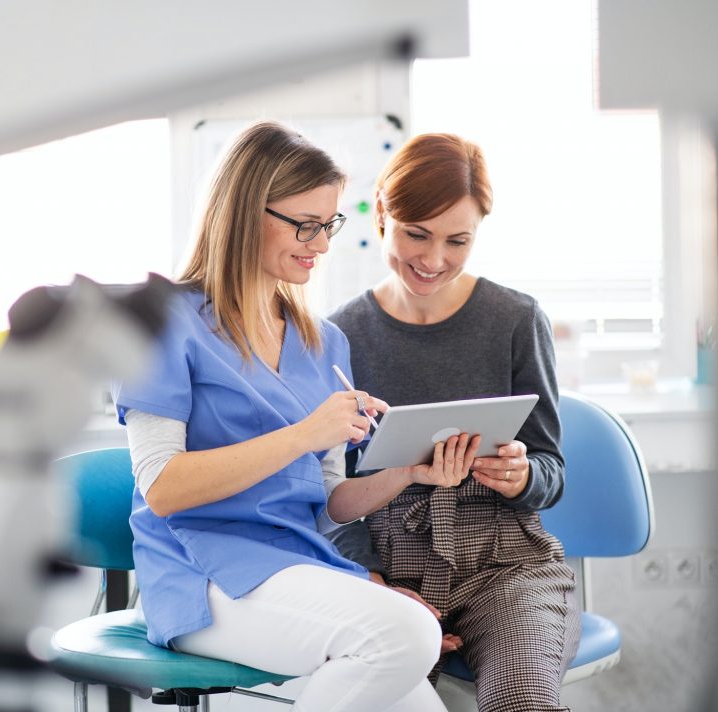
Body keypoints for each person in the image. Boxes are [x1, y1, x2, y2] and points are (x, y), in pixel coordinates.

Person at [112, 122, 459, 712]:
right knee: (404, 636)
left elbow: (327, 499)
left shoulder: (322, 343)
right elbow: (163, 488)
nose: (320, 244)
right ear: (245, 213)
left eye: (328, 225)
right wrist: (306, 432)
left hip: (296, 562)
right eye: (305, 224)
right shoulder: (161, 323)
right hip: (201, 573)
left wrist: (407, 475)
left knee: (417, 688)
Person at [327, 133, 581, 712]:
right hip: (392, 566)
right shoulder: (339, 337)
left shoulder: (516, 319)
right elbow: (330, 495)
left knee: (522, 701)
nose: (433, 259)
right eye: (416, 234)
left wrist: (522, 477)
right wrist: (372, 582)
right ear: (384, 213)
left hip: (506, 563)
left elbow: (550, 470)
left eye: (457, 241)